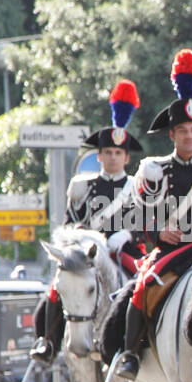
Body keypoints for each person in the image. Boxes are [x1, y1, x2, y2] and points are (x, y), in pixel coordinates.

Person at [113, 49, 192, 381]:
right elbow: (135, 216)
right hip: (172, 254)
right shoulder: (154, 170)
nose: (190, 136)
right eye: (183, 130)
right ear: (172, 134)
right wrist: (156, 235)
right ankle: (129, 354)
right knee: (140, 289)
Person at [30, 79, 145, 365]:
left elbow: (146, 222)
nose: (113, 157)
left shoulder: (139, 186)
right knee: (55, 291)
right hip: (85, 254)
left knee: (144, 286)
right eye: (108, 153)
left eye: (118, 153)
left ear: (126, 157)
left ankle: (140, 343)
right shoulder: (82, 186)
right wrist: (80, 234)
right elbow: (70, 223)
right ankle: (48, 342)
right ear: (99, 156)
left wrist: (127, 234)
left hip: (123, 251)